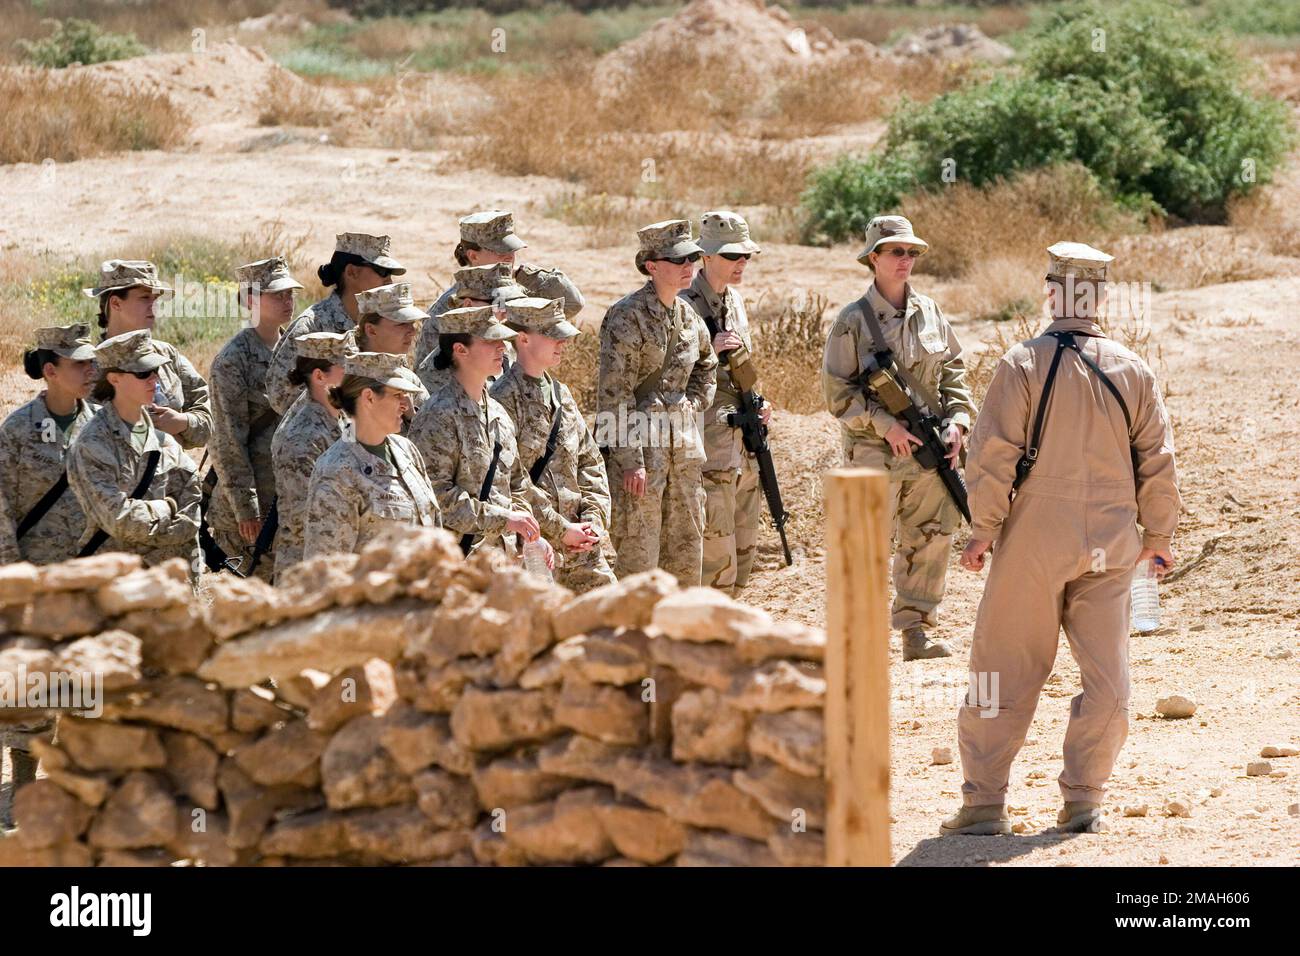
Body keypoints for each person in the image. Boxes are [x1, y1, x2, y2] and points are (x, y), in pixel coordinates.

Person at [941, 242, 1181, 837]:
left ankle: (984, 804)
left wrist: (984, 529)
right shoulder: (1134, 368)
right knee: (1108, 671)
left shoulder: (1021, 362)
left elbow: (992, 456)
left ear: (1051, 292)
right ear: (1099, 297)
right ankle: (1083, 800)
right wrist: (1160, 535)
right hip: (1113, 532)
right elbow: (1157, 462)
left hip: (1036, 533)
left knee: (1004, 664)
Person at [822, 215, 977, 660]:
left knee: (930, 538)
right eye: (895, 251)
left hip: (929, 448)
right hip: (874, 451)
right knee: (865, 543)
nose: (905, 259)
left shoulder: (930, 311)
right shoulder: (852, 321)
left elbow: (952, 372)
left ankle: (916, 632)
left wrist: (959, 421)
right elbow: (837, 393)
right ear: (873, 258)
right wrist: (883, 424)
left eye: (911, 252)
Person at [597, 219, 716, 587]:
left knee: (685, 556)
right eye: (678, 260)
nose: (688, 267)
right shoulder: (626, 316)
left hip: (683, 456)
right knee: (640, 561)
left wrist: (692, 405)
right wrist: (630, 461)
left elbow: (707, 366)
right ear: (651, 265)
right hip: (642, 461)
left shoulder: (688, 317)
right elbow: (613, 393)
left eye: (692, 259)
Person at [407, 305, 551, 566]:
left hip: (502, 562)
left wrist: (529, 533)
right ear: (460, 350)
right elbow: (435, 497)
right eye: (490, 341)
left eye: (501, 341)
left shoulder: (496, 411)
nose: (502, 348)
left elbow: (516, 484)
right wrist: (503, 519)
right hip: (457, 565)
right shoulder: (439, 415)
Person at [491, 296, 614, 592]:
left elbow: (590, 461)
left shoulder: (562, 394)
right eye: (552, 335)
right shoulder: (502, 400)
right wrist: (561, 530)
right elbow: (509, 482)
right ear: (523, 339)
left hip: (583, 546)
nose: (563, 342)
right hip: (535, 549)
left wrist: (593, 522)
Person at [678, 210, 769, 597]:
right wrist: (707, 353)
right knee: (715, 550)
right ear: (707, 256)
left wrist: (763, 402)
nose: (741, 263)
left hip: (745, 444)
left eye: (745, 256)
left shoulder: (737, 303)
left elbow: (744, 367)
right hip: (709, 448)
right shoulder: (683, 306)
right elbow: (668, 380)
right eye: (732, 256)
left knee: (745, 543)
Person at [66, 330, 202, 569]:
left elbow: (191, 510)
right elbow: (120, 520)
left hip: (170, 585)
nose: (154, 380)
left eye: (155, 371)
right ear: (114, 379)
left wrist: (154, 524)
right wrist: (168, 507)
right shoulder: (92, 444)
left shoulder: (165, 440)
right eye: (142, 373)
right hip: (119, 584)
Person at [206, 256, 303, 579]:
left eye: (289, 293)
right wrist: (246, 509)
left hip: (290, 497)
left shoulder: (298, 351)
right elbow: (226, 440)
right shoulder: (233, 361)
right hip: (253, 510)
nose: (287, 301)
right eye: (277, 295)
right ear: (250, 300)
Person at [302, 352, 440, 559]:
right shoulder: (337, 473)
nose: (406, 404)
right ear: (368, 397)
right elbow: (326, 570)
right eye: (397, 395)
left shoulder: (406, 450)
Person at [412, 209, 584, 369]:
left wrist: (525, 275)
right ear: (473, 255)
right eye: (500, 251)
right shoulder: (447, 310)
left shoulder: (518, 295)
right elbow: (429, 374)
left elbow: (571, 303)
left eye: (511, 249)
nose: (509, 256)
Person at [265, 233, 405, 415]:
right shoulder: (311, 326)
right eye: (382, 271)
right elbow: (280, 395)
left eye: (391, 273)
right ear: (352, 272)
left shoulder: (382, 323)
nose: (389, 280)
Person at [84, 259, 212, 451]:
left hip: (172, 476)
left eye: (155, 299)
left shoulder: (167, 355)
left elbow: (208, 416)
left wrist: (183, 422)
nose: (154, 306)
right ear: (116, 303)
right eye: (145, 298)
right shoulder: (85, 368)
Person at [0, 325, 98, 565]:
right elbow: (3, 509)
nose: (91, 371)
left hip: (92, 568)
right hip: (37, 571)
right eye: (79, 364)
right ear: (50, 371)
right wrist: (12, 573)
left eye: (91, 362)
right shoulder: (17, 429)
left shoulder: (101, 424)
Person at [270, 333, 350, 582]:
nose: (356, 375)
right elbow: (303, 518)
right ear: (319, 376)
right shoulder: (301, 439)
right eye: (347, 368)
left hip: (338, 563)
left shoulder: (342, 417)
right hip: (307, 573)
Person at [415, 262, 527, 395]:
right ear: (468, 304)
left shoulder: (505, 346)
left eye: (508, 304)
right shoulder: (439, 372)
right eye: (498, 303)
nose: (504, 312)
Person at [346, 281, 429, 433]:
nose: (412, 331)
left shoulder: (408, 379)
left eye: (412, 323)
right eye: (401, 324)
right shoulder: (348, 380)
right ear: (371, 330)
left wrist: (412, 417)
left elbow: (432, 441)